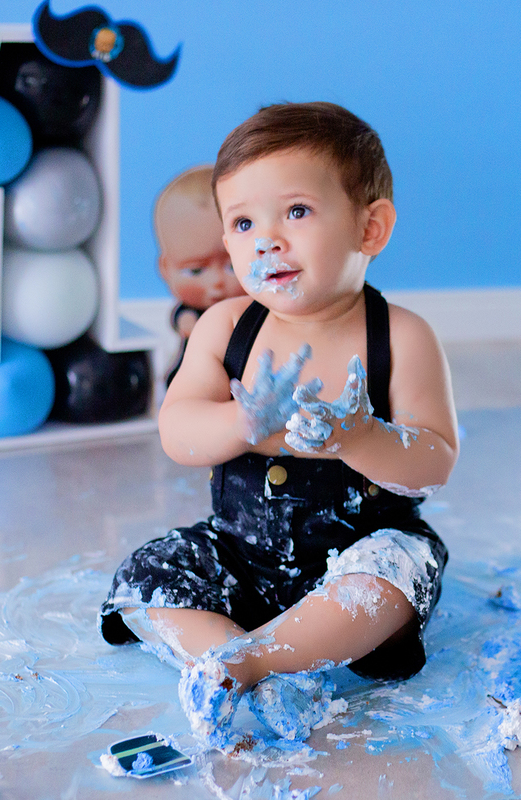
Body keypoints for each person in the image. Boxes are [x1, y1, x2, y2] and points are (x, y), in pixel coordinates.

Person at [100, 102, 459, 747]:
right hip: (243, 552)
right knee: (145, 579)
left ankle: (252, 660)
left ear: (370, 227)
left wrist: (361, 438)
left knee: (395, 574)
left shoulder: (401, 336)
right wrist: (239, 421)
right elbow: (178, 431)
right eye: (243, 222)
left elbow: (434, 460)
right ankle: (250, 663)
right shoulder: (226, 328)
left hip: (360, 549)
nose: (266, 240)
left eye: (296, 211)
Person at [153, 165, 244, 385]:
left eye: (232, 266)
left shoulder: (250, 307)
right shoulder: (192, 312)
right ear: (166, 269)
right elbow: (181, 317)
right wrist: (188, 324)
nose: (216, 282)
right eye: (195, 270)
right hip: (192, 379)